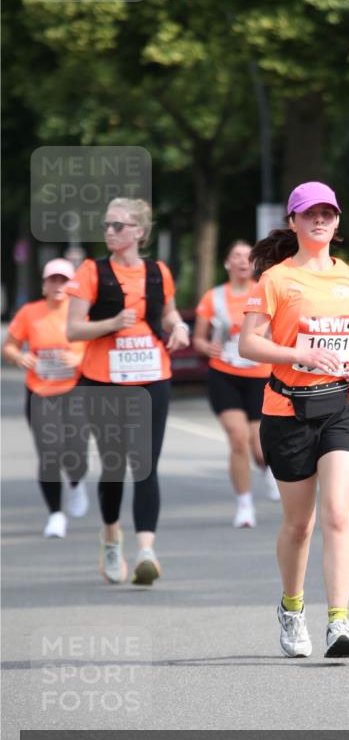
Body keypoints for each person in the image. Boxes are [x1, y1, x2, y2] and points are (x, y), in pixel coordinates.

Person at [239, 182, 349, 659]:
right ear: (293, 222)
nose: (320, 220)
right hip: (288, 410)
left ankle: (339, 622)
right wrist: (301, 353)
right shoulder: (275, 280)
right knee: (300, 525)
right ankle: (292, 607)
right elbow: (249, 344)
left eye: (328, 213)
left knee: (338, 512)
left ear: (337, 223)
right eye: (310, 213)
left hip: (343, 405)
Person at [66, 198, 190, 586]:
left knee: (146, 464)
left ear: (139, 232)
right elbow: (72, 330)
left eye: (118, 225)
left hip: (153, 376)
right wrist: (112, 323)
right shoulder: (91, 272)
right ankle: (110, 535)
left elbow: (166, 313)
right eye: (106, 225)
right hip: (103, 381)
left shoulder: (159, 272)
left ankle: (147, 552)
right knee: (115, 465)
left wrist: (178, 327)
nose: (109, 232)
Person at [193, 240, 279, 529]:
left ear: (254, 263)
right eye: (237, 256)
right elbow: (199, 338)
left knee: (259, 446)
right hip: (225, 375)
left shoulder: (265, 291)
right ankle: (244, 504)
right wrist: (206, 348)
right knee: (238, 438)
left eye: (248, 256)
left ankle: (267, 468)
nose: (243, 261)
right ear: (228, 263)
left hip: (260, 377)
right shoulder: (214, 297)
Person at [3, 259, 88, 538]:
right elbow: (10, 346)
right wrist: (20, 356)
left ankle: (75, 483)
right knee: (50, 452)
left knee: (74, 449)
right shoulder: (31, 313)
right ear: (44, 285)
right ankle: (55, 514)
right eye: (52, 280)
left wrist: (77, 357)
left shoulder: (82, 313)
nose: (58, 286)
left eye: (63, 280)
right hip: (40, 391)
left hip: (75, 388)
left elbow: (98, 346)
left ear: (72, 285)